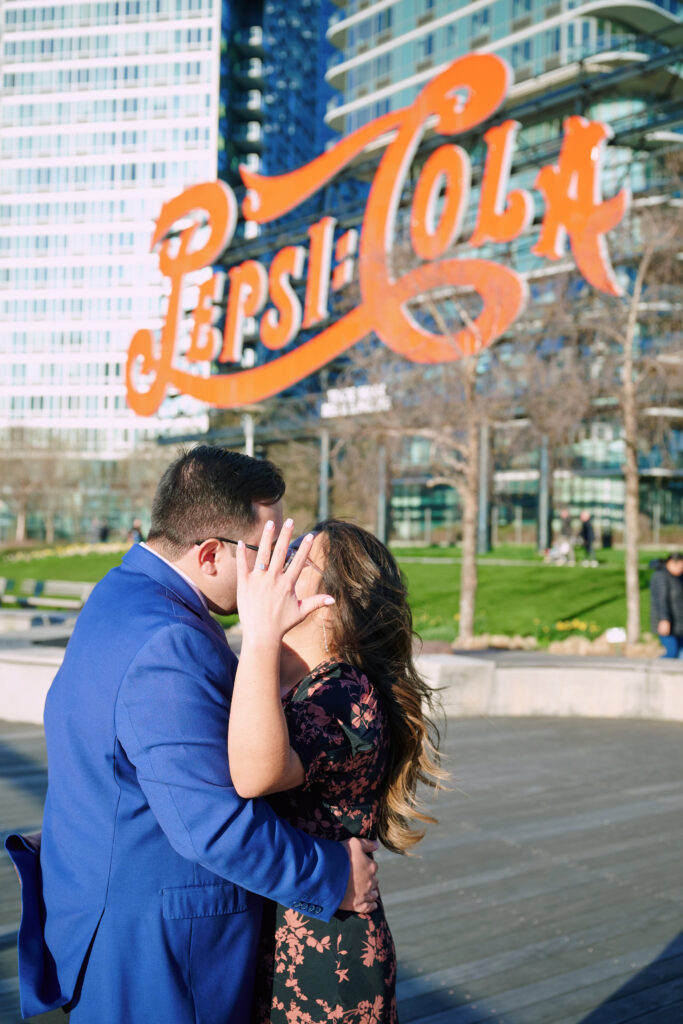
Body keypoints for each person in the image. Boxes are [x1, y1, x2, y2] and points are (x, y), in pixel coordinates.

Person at [5, 447, 379, 1023]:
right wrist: (334, 876)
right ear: (209, 554)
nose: (276, 569)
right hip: (157, 953)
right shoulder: (169, 642)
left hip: (111, 915)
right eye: (267, 550)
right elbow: (213, 828)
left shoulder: (120, 594)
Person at [229, 519, 445, 1023]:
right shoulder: (298, 687)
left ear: (334, 602)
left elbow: (253, 775)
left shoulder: (346, 692)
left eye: (302, 553)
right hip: (288, 941)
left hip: (327, 965)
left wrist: (260, 633)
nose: (283, 559)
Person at [649, 551, 683, 658]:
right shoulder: (661, 576)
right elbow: (661, 600)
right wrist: (664, 620)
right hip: (667, 622)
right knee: (671, 653)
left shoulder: (678, 577)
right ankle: (655, 672)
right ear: (671, 563)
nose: (681, 569)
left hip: (679, 622)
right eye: (680, 566)